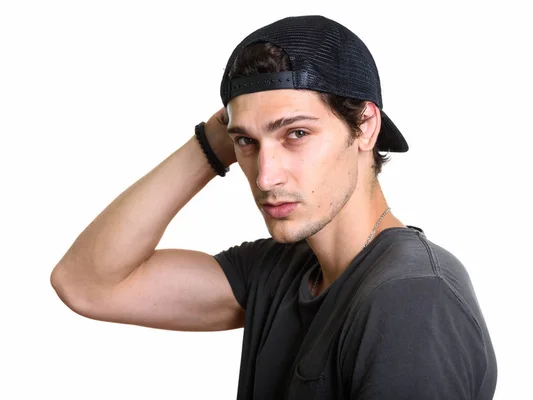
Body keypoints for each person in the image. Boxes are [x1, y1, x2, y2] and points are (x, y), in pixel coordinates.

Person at [51, 15, 497, 400]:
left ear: (365, 126)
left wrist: (246, 129)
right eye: (247, 142)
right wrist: (211, 143)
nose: (266, 177)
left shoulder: (412, 298)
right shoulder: (279, 270)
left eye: (296, 134)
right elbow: (87, 284)